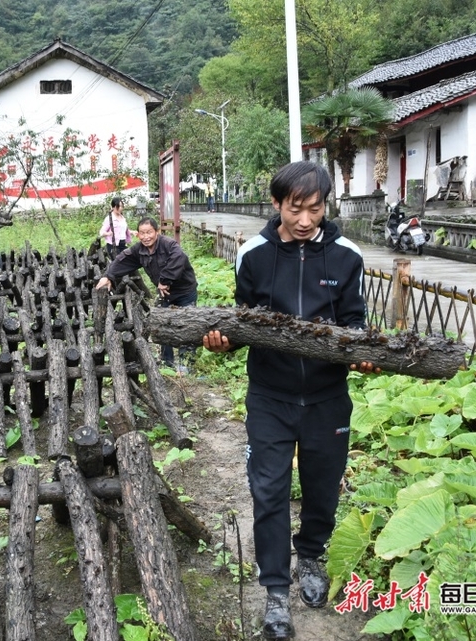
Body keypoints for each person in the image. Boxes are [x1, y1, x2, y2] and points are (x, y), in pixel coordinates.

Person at [202, 161, 377, 640]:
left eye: (314, 209)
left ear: (325, 206)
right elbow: (244, 320)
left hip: (327, 397)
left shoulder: (346, 256)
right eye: (295, 209)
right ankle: (276, 590)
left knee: (323, 484)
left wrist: (362, 351)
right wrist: (225, 339)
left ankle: (313, 556)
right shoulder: (254, 254)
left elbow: (355, 320)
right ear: (277, 204)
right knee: (269, 490)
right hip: (270, 396)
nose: (305, 220)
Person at [95, 216, 198, 373]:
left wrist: (165, 280)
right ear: (138, 234)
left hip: (185, 292)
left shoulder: (168, 244)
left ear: (156, 232)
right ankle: (167, 362)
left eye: (149, 232)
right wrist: (108, 275)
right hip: (166, 295)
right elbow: (123, 259)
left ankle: (187, 366)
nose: (146, 236)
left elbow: (179, 259)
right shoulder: (139, 250)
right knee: (163, 325)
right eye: (142, 233)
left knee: (188, 326)